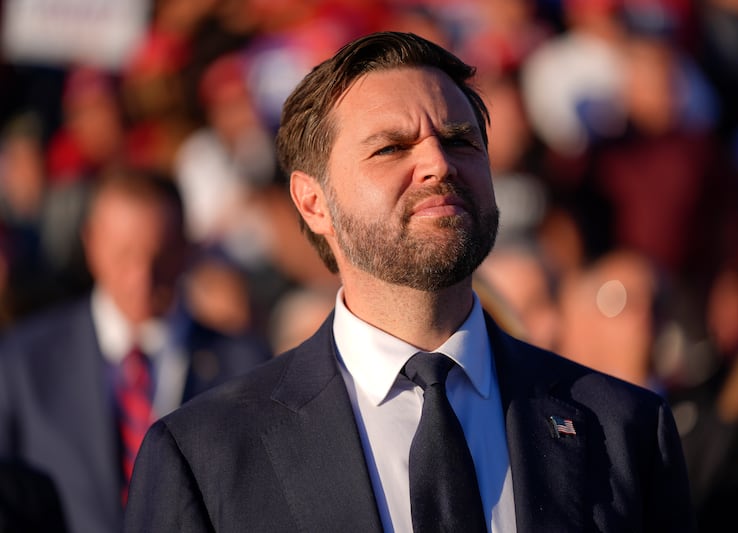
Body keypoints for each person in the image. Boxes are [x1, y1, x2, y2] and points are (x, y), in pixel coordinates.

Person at [124, 31, 696, 532]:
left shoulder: (626, 431)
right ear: (313, 202)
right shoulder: (206, 457)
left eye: (460, 141)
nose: (438, 164)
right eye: (391, 147)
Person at [0, 164, 272, 533]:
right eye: (124, 255)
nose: (141, 278)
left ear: (186, 249)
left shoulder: (246, 364)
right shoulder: (25, 361)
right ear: (90, 243)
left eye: (158, 256)